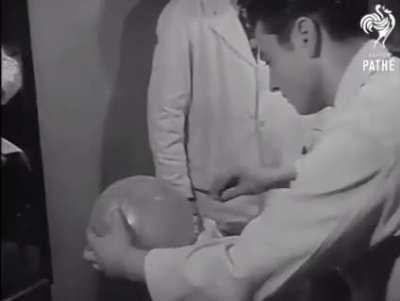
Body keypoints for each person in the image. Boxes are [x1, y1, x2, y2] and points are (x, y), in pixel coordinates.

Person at [85, 0, 400, 300]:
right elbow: (367, 170)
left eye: (270, 59)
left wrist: (129, 261)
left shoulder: (373, 125)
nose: (273, 83)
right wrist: (280, 175)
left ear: (306, 35)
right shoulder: (384, 87)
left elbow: (242, 271)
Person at [147, 0, 307, 233]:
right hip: (220, 203)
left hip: (290, 194)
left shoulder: (297, 10)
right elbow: (166, 117)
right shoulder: (182, 14)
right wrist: (181, 201)